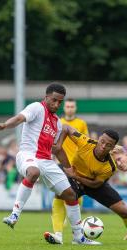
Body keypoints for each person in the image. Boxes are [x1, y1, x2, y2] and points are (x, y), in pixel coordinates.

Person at [0, 83, 99, 245]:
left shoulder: (57, 122)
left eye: (59, 102)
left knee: (70, 194)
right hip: (28, 155)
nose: (56, 104)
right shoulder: (36, 108)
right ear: (46, 97)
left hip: (46, 161)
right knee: (33, 172)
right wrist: (6, 125)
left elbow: (57, 149)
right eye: (54, 100)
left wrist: (69, 169)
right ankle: (14, 215)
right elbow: (20, 118)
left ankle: (78, 237)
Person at [44, 126, 127, 245]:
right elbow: (66, 128)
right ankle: (58, 235)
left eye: (108, 145)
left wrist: (76, 176)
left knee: (124, 211)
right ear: (99, 139)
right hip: (73, 177)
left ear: (112, 147)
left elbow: (96, 183)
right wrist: (58, 145)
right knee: (62, 194)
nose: (103, 146)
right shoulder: (85, 141)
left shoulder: (110, 167)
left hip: (92, 184)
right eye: (102, 141)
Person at [51, 98, 89, 240]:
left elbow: (86, 142)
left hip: (78, 166)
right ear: (64, 108)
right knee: (60, 196)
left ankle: (74, 230)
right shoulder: (58, 122)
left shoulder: (81, 124)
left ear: (75, 108)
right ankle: (58, 233)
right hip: (62, 165)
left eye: (72, 106)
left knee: (77, 197)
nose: (70, 108)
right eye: (68, 106)